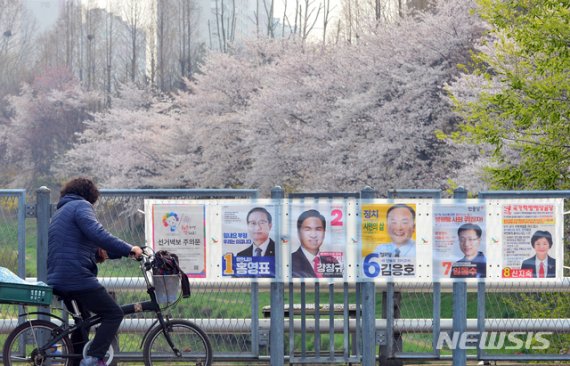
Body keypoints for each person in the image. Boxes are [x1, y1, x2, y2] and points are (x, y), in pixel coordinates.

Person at [47, 177, 143, 366]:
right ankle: (93, 358)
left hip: (60, 276)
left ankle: (75, 362)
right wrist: (129, 248)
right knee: (113, 313)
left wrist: (125, 253)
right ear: (90, 195)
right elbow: (98, 233)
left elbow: (89, 245)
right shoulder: (81, 206)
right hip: (76, 276)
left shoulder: (61, 211)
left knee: (83, 323)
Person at [291, 209, 340, 278]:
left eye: (318, 229)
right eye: (308, 229)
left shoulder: (332, 263)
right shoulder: (290, 261)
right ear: (299, 233)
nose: (313, 235)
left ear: (324, 232)